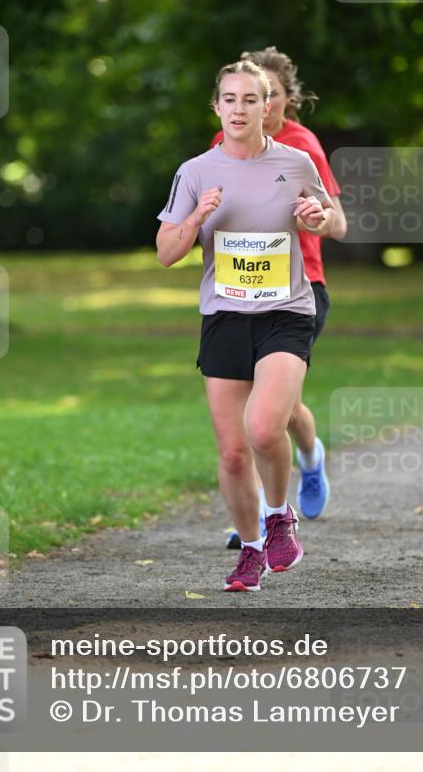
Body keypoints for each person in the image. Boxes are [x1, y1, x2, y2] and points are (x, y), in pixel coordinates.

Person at [156, 60, 339, 592]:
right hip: (225, 316)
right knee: (233, 452)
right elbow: (166, 253)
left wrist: (314, 217)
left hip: (286, 311)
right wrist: (195, 219)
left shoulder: (297, 161)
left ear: (268, 107)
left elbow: (325, 216)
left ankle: (279, 516)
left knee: (263, 428)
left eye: (250, 99)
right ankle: (251, 551)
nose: (239, 108)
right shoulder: (195, 172)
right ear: (217, 107)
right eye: (229, 99)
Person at [210, 48, 347, 548]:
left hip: (300, 288)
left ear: (285, 99)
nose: (256, 107)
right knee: (249, 417)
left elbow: (337, 221)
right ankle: (252, 521)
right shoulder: (223, 144)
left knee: (275, 414)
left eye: (266, 97)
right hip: (239, 294)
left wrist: (317, 216)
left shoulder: (301, 145)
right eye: (243, 97)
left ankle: (310, 460)